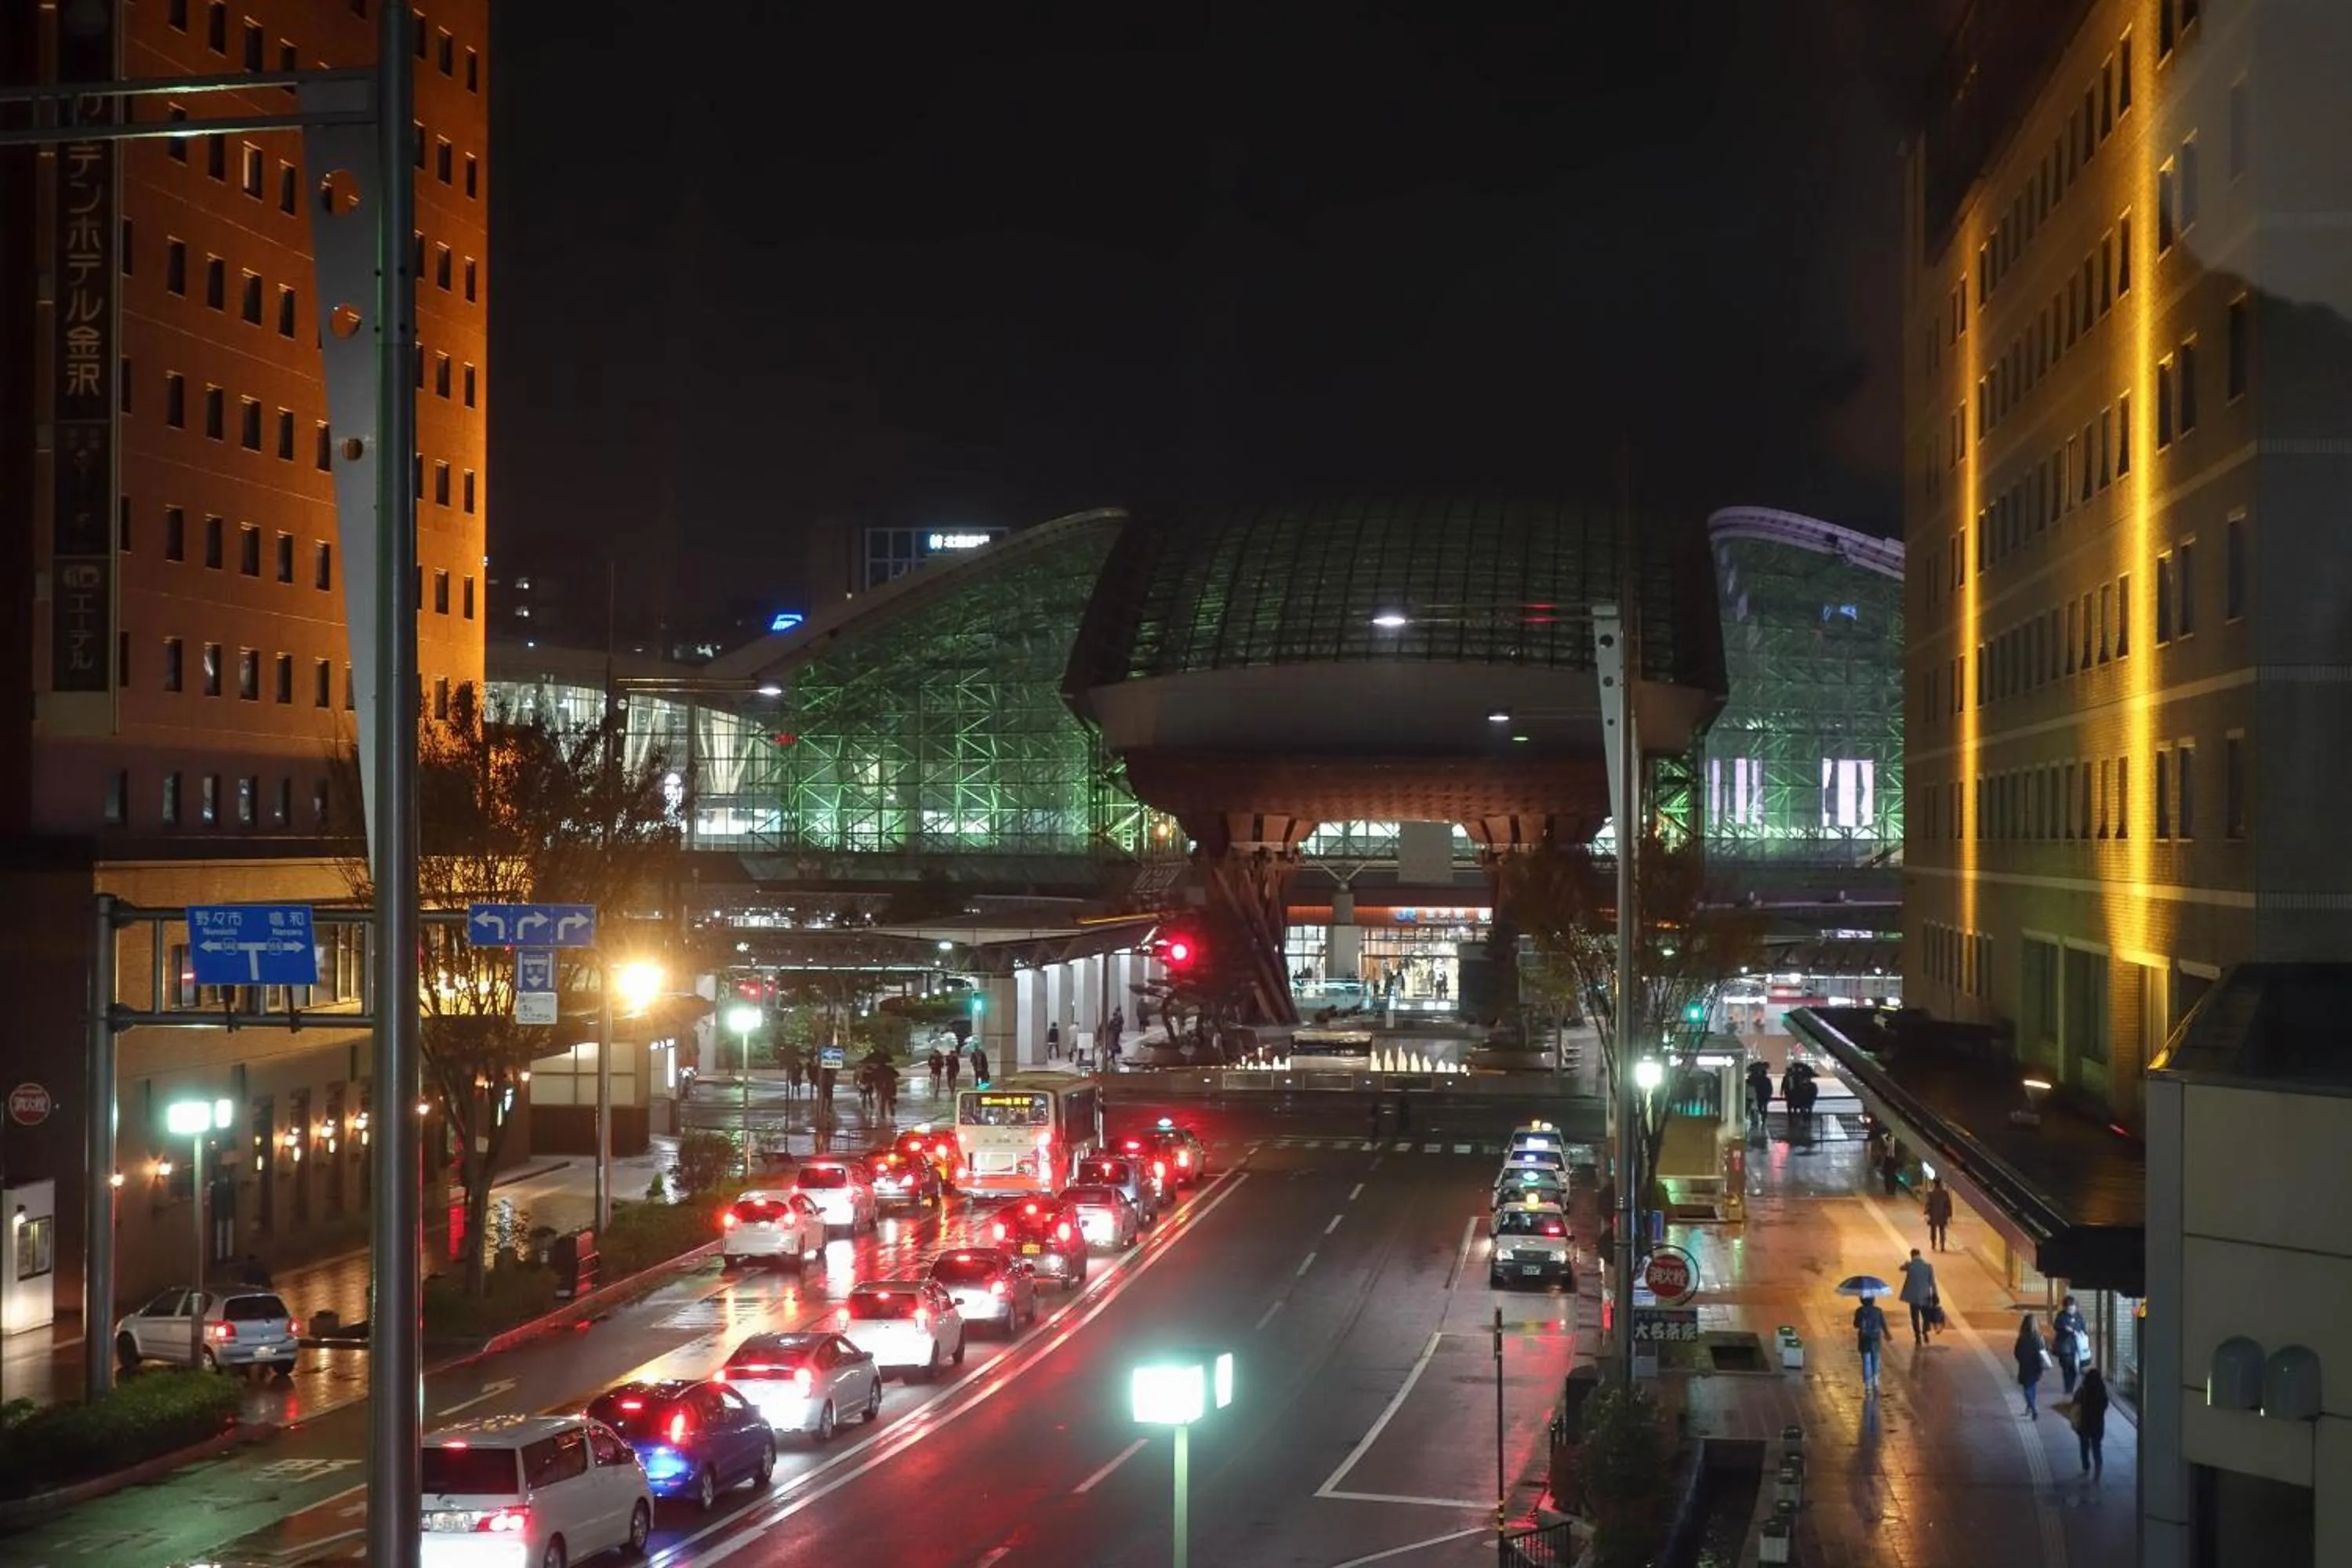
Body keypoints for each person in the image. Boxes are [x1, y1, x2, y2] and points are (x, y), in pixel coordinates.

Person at [2074, 1366, 2111, 1479]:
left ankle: (2086, 1467)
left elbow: (2075, 1403)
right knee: (2096, 1447)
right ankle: (2098, 1468)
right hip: (2098, 1424)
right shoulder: (2102, 1392)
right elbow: (2105, 1406)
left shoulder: (2083, 1390)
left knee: (2084, 1446)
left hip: (2084, 1423)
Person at [1897, 1249, 1939, 1345]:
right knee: (1926, 1316)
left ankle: (1918, 1337)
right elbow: (1932, 1282)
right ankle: (1925, 1331)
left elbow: (1901, 1268)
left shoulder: (1910, 1266)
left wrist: (1907, 1263)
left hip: (1914, 1298)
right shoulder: (1928, 1267)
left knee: (1915, 1317)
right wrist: (1935, 1294)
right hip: (1925, 1296)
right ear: (1920, 1255)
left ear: (1912, 1256)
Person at [1853, 1294, 1889, 1394]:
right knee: (1876, 1359)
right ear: (1873, 1300)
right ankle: (1876, 1380)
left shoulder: (1859, 1311)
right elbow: (1883, 1324)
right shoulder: (1878, 1311)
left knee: (1866, 1361)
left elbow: (1855, 1325)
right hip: (1876, 1338)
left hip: (1864, 1339)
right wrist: (1887, 1334)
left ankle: (1868, 1384)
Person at [2053, 1295, 2089, 1396]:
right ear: (2065, 1308)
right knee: (2067, 1367)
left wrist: (2082, 1333)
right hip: (2065, 1347)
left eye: (2073, 1308)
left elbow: (2083, 1328)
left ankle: (2070, 1386)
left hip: (2076, 1346)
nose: (2072, 1310)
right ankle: (2068, 1387)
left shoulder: (2078, 1316)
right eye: (2069, 1308)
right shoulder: (2061, 1316)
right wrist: (2065, 1329)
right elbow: (2056, 1326)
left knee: (2073, 1368)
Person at [2014, 1314, 2049, 1417]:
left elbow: (2017, 1352)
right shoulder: (2039, 1337)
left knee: (2027, 1389)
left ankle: (2032, 1407)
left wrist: (2021, 1360)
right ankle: (2030, 1407)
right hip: (2036, 1366)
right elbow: (2044, 1351)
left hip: (2025, 1366)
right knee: (2032, 1387)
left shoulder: (2022, 1338)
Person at [1924, 1178, 1955, 1251]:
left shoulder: (1931, 1193)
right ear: (1941, 1183)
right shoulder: (1944, 1193)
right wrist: (1949, 1215)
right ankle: (1942, 1245)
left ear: (1934, 1184)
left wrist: (1926, 1213)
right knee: (1942, 1230)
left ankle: (1933, 1244)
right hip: (1942, 1215)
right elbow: (1948, 1205)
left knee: (1933, 1230)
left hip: (1933, 1215)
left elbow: (1928, 1204)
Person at [1745, 1059, 1774, 1134]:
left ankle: (1758, 1119)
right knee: (1761, 1107)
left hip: (1761, 1095)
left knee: (1758, 1107)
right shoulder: (1764, 1080)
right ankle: (1761, 1119)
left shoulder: (1754, 1080)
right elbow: (1769, 1088)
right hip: (1762, 1096)